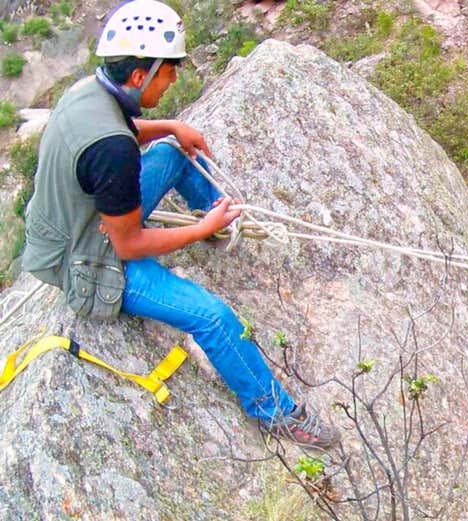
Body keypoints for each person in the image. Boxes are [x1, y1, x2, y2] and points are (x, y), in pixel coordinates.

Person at [21, 0, 339, 449]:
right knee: (214, 318)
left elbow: (121, 129)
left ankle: (223, 214)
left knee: (172, 153)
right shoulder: (112, 149)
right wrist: (200, 229)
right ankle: (276, 413)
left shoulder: (87, 92)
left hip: (80, 219)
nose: (173, 79)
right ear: (139, 77)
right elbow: (129, 245)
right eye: (168, 71)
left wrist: (170, 126)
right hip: (94, 261)